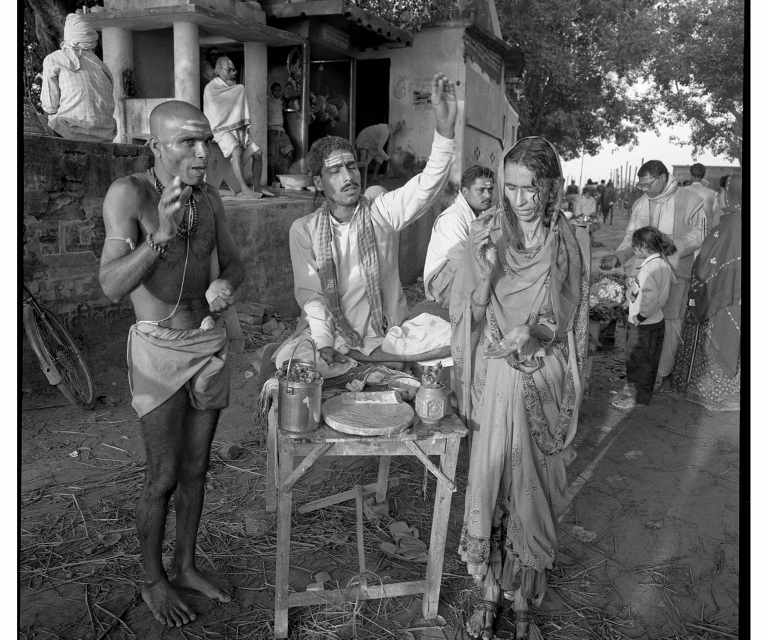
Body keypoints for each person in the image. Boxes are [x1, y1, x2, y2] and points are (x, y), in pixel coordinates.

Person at [99, 101, 244, 627]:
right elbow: (111, 285)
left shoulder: (210, 199)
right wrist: (157, 237)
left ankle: (183, 565)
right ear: (156, 145)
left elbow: (233, 262)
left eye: (206, 140)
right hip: (158, 349)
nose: (203, 153)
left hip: (207, 343)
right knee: (161, 476)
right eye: (188, 142)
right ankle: (152, 579)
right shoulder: (130, 194)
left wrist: (225, 283)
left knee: (196, 469)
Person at [452, 137, 588, 640]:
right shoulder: (486, 230)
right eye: (510, 188)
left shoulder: (566, 241)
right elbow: (469, 309)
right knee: (491, 477)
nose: (519, 200)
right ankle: (490, 590)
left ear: (550, 187)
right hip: (494, 373)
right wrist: (486, 278)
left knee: (531, 485)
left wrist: (532, 333)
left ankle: (525, 596)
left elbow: (569, 320)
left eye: (531, 189)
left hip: (542, 376)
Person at [272, 72, 457, 379]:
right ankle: (365, 367)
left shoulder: (381, 212)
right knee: (294, 362)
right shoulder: (303, 230)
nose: (348, 176)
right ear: (318, 182)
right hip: (333, 336)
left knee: (450, 340)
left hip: (384, 335)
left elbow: (428, 186)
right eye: (335, 171)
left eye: (350, 165)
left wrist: (445, 129)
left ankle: (374, 366)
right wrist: (323, 342)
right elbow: (311, 295)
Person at [600, 160, 706, 392]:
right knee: (641, 323)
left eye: (648, 185)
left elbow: (699, 234)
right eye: (642, 186)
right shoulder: (640, 203)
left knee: (670, 324)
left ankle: (664, 374)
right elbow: (631, 238)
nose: (645, 190)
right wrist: (619, 256)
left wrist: (674, 245)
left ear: (662, 178)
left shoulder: (690, 201)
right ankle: (642, 375)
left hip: (676, 273)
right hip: (644, 275)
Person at [671, 173, 741, 411]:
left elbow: (719, 266)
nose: (717, 197)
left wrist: (703, 289)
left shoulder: (733, 226)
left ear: (732, 195)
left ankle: (714, 393)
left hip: (720, 298)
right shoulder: (732, 222)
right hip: (726, 295)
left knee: (716, 341)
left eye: (721, 192)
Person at [611, 227, 673, 410]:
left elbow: (649, 298)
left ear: (644, 247)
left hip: (643, 324)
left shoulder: (648, 270)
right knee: (650, 360)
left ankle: (636, 398)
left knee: (637, 361)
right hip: (657, 320)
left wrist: (639, 316)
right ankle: (643, 395)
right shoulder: (663, 264)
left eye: (635, 247)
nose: (634, 250)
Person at [423, 165, 495, 308]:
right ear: (465, 192)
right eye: (481, 190)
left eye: (490, 190)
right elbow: (462, 263)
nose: (488, 195)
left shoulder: (481, 214)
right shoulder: (453, 219)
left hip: (463, 271)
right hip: (443, 281)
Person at [203, 56, 274, 198]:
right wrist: (238, 90)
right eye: (229, 70)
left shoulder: (232, 89)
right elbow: (216, 113)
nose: (233, 73)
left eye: (234, 69)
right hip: (219, 129)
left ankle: (257, 187)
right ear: (218, 71)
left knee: (258, 153)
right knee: (236, 150)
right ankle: (244, 189)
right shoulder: (211, 88)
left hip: (235, 129)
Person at [40, 13, 117, 142]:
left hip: (69, 132)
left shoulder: (54, 59)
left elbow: (50, 106)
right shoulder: (103, 67)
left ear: (68, 36)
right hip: (105, 135)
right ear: (92, 40)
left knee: (39, 121)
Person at [266, 82, 294, 184]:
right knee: (272, 156)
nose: (277, 93)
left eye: (279, 90)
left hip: (281, 130)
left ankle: (282, 173)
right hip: (272, 130)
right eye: (275, 90)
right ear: (271, 90)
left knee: (290, 151)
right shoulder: (267, 101)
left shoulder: (279, 102)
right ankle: (272, 178)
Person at [686, 162, 723, 229]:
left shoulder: (682, 191)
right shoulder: (712, 193)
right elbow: (713, 213)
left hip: (686, 231)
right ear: (704, 176)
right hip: (705, 231)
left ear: (690, 174)